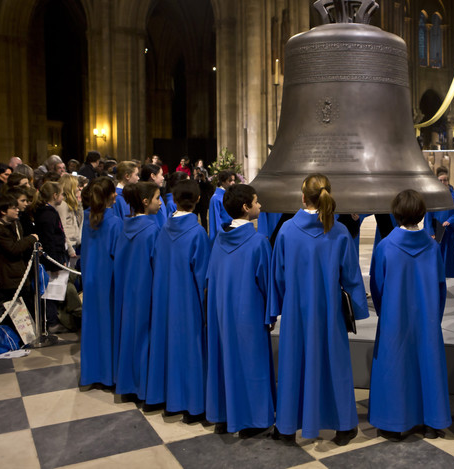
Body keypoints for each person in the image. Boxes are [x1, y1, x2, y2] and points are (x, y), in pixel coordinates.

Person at [267, 174, 369, 445]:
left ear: (302, 197)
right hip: (329, 312)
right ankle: (345, 426)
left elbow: (277, 276)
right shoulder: (338, 231)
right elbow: (351, 276)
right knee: (333, 364)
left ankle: (287, 427)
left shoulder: (287, 231)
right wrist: (358, 308)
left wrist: (272, 311)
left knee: (293, 366)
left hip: (296, 313)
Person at [368, 189, 451, 441]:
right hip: (426, 318)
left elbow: (377, 286)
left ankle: (393, 422)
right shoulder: (432, 247)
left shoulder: (385, 247)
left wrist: (386, 312)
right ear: (421, 214)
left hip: (394, 318)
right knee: (427, 363)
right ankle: (431, 420)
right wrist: (433, 317)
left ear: (395, 215)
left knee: (395, 365)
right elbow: (440, 287)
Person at [205, 184, 275, 436]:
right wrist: (271, 314)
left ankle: (226, 415)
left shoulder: (219, 240)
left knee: (226, 361)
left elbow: (211, 277)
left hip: (222, 313)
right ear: (246, 208)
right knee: (251, 364)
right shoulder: (258, 243)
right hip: (251, 314)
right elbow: (267, 283)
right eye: (256, 202)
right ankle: (253, 420)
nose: (260, 206)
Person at [146, 180, 210, 417]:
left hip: (164, 298)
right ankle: (192, 404)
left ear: (172, 199)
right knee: (189, 348)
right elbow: (203, 276)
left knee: (167, 346)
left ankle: (164, 396)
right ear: (198, 200)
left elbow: (155, 260)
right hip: (188, 301)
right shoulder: (197, 233)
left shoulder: (163, 229)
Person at [113, 182, 161, 399]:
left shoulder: (124, 227)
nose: (160, 203)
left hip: (126, 291)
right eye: (157, 198)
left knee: (128, 335)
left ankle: (126, 383)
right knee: (145, 337)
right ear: (145, 201)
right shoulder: (152, 230)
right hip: (146, 290)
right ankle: (143, 387)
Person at [79, 177, 122, 387]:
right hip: (109, 281)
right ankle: (109, 375)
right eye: (113, 192)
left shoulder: (87, 218)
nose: (117, 195)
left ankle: (91, 372)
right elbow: (119, 256)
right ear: (109, 195)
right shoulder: (114, 222)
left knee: (92, 325)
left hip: (90, 278)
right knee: (109, 326)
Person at [0, 194, 39, 320]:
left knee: (22, 316)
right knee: (3, 314)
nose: (17, 210)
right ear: (3, 211)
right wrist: (31, 238)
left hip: (18, 275)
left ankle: (25, 338)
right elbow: (13, 249)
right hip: (7, 278)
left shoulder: (13, 224)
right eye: (13, 208)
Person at [33, 182, 70, 332]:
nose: (62, 197)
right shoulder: (47, 214)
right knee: (51, 292)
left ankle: (53, 320)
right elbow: (49, 240)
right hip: (51, 260)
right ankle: (51, 322)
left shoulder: (49, 211)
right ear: (55, 196)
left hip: (56, 257)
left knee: (56, 291)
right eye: (61, 194)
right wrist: (54, 264)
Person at [424, 167, 454, 278]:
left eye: (445, 180)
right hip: (437, 235)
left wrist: (451, 221)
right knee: (437, 259)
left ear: (448, 181)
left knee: (451, 259)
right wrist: (430, 231)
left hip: (451, 234)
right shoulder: (433, 197)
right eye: (440, 180)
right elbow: (428, 216)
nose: (443, 182)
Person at [208, 170, 235, 242]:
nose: (233, 183)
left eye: (233, 180)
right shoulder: (216, 198)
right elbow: (216, 220)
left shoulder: (228, 195)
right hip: (223, 234)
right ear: (223, 182)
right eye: (230, 181)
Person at [140, 163, 168, 228]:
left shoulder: (157, 194)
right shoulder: (147, 196)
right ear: (153, 176)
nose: (163, 178)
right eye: (161, 174)